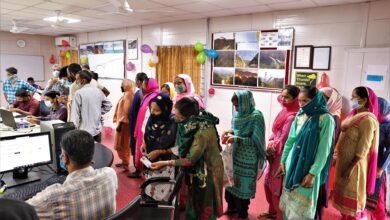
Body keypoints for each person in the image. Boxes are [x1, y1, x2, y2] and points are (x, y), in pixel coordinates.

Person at [150, 97, 223, 220]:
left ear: (189, 117)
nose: (176, 119)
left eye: (179, 117)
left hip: (208, 172)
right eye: (176, 115)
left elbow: (190, 159)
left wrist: (166, 162)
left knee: (205, 206)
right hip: (197, 170)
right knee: (194, 201)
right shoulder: (190, 125)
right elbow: (182, 147)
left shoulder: (202, 132)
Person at [26, 130, 118, 220]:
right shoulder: (110, 174)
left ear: (65, 158)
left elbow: (20, 211)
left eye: (62, 154)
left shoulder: (52, 196)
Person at [277, 86, 335, 219]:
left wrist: (312, 173)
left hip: (308, 169)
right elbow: (290, 140)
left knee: (302, 210)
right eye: (300, 101)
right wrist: (283, 162)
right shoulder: (300, 115)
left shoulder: (326, 119)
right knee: (289, 207)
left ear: (316, 100)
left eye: (306, 101)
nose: (302, 105)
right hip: (291, 165)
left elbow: (323, 150)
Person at [333, 86, 379, 220]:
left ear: (364, 100)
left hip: (354, 167)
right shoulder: (353, 115)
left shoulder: (368, 120)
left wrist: (350, 168)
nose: (352, 100)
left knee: (353, 202)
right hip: (344, 162)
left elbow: (363, 148)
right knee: (342, 200)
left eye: (355, 97)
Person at [222, 90, 266, 220]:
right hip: (234, 154)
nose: (237, 108)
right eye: (235, 106)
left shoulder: (256, 116)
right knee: (231, 183)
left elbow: (256, 141)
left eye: (238, 105)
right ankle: (231, 207)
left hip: (248, 157)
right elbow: (235, 129)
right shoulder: (237, 115)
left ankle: (242, 214)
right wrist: (229, 131)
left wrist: (236, 139)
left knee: (244, 186)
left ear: (246, 102)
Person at [259, 85, 300, 220]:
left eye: (287, 97)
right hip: (273, 153)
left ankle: (280, 215)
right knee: (267, 183)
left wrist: (272, 147)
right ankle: (272, 210)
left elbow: (285, 138)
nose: (283, 99)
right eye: (282, 96)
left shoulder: (292, 117)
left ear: (295, 99)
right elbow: (275, 132)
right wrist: (270, 143)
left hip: (281, 155)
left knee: (277, 187)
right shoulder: (284, 111)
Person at [314, 87, 343, 219]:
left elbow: (327, 143)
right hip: (317, 155)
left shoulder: (334, 118)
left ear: (332, 100)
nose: (321, 100)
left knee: (319, 187)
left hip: (323, 157)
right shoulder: (322, 113)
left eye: (325, 98)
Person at [143, 93, 177, 201]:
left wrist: (160, 152)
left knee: (162, 196)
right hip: (150, 161)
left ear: (165, 109)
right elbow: (147, 134)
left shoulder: (173, 123)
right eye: (151, 109)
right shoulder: (152, 118)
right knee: (149, 190)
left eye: (156, 110)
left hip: (166, 165)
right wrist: (144, 144)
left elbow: (178, 149)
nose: (152, 112)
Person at [70, 70, 112, 143]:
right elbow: (109, 105)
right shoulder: (98, 91)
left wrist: (73, 131)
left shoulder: (78, 93)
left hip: (83, 131)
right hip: (97, 130)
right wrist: (98, 111)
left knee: (85, 153)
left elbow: (75, 114)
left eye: (77, 79)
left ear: (83, 80)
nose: (76, 81)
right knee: (97, 151)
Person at [368, 97, 390, 220]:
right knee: (365, 199)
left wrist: (381, 168)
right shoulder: (371, 121)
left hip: (377, 168)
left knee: (376, 200)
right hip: (367, 165)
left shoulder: (387, 125)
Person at [133, 78, 159, 174]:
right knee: (141, 147)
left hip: (147, 128)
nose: (143, 86)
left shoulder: (155, 96)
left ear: (149, 85)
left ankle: (144, 171)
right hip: (142, 126)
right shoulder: (148, 95)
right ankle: (142, 170)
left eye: (145, 84)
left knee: (145, 149)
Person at [127, 72, 148, 178]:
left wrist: (132, 127)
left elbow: (133, 112)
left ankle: (137, 169)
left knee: (135, 146)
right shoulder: (147, 93)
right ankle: (144, 168)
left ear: (139, 81)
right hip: (144, 126)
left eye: (136, 80)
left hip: (137, 125)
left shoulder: (138, 93)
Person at [113, 79, 135, 171]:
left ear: (127, 85)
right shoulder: (126, 94)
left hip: (124, 125)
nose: (121, 87)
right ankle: (123, 161)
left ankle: (126, 163)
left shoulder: (128, 95)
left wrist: (121, 123)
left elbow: (126, 112)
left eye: (122, 85)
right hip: (122, 123)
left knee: (123, 144)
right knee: (120, 143)